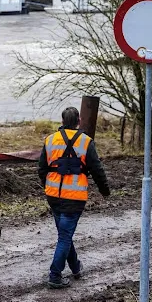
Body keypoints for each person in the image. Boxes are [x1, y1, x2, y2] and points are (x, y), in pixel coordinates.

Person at [38, 107, 110, 289]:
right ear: (78, 121)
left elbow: (42, 169)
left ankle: (75, 267)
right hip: (75, 197)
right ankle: (55, 274)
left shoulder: (50, 140)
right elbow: (97, 169)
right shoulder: (86, 142)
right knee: (65, 236)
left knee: (64, 234)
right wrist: (105, 190)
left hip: (53, 195)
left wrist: (46, 185)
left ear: (62, 122)